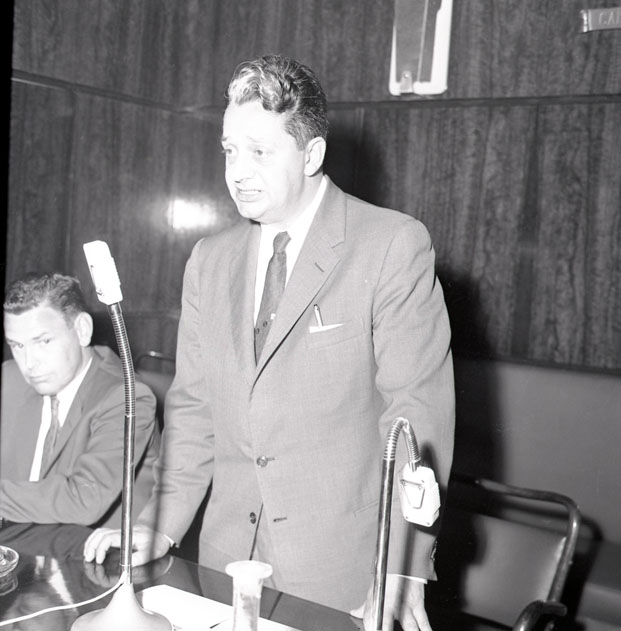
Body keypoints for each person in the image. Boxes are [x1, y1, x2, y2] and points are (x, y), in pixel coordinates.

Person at [84, 55, 454, 631]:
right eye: (230, 150)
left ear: (311, 154)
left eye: (259, 151)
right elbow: (194, 410)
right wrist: (161, 523)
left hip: (344, 576)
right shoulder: (209, 260)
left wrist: (402, 565)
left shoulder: (390, 245)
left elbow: (416, 417)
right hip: (225, 569)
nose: (237, 171)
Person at [0, 272, 159, 527]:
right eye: (17, 345)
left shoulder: (127, 398)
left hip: (91, 546)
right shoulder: (9, 379)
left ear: (82, 330)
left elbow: (84, 499)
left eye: (43, 341)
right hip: (22, 538)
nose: (29, 363)